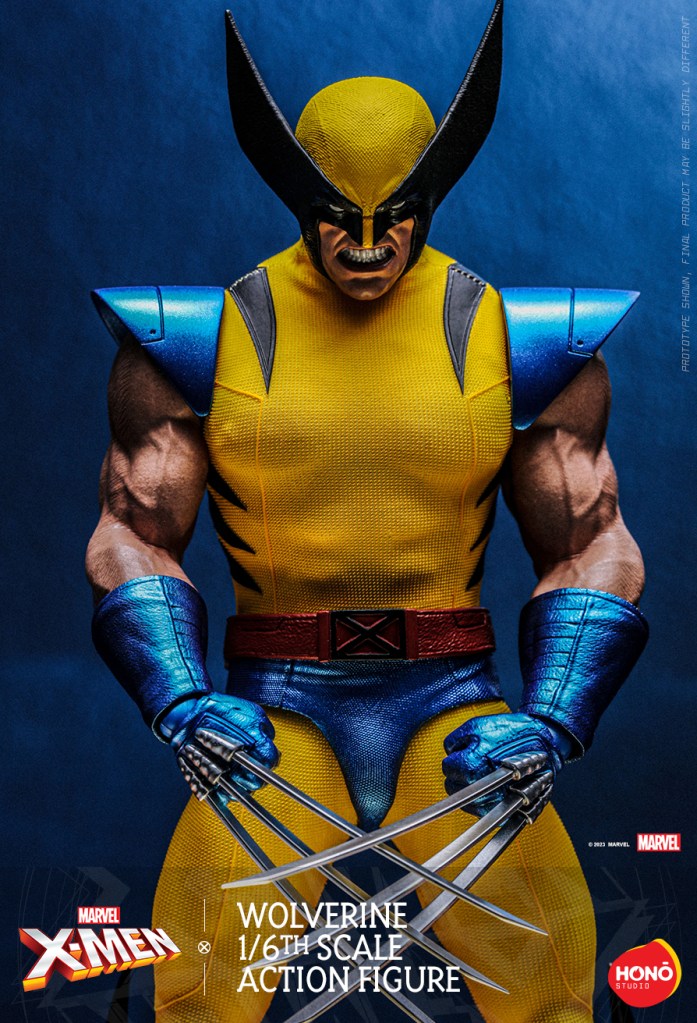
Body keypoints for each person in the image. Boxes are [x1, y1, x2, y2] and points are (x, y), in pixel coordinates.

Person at [87, 3, 648, 1020]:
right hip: (274, 714)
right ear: (293, 192)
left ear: (433, 194)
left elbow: (590, 542)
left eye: (394, 215)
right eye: (335, 215)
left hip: (452, 710)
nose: (363, 244)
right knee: (198, 982)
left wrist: (553, 721)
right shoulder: (197, 340)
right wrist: (179, 697)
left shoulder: (522, 342)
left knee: (556, 975)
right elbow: (132, 533)